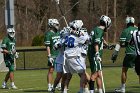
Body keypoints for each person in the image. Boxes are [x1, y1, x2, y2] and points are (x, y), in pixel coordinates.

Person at [111, 17, 138, 93]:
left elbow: (121, 44)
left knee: (124, 70)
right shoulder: (137, 30)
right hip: (138, 53)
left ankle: (123, 89)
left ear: (127, 23)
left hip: (130, 53)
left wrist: (115, 54)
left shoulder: (125, 31)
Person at [62, 20, 89, 93]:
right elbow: (86, 39)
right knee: (83, 73)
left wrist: (72, 31)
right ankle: (81, 90)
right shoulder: (78, 37)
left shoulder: (68, 35)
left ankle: (64, 91)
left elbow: (62, 38)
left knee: (68, 76)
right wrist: (76, 32)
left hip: (66, 58)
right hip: (73, 57)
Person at [88, 15, 111, 93]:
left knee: (98, 74)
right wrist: (97, 53)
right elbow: (96, 43)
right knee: (95, 74)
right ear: (106, 23)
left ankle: (100, 91)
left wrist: (107, 45)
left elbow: (100, 39)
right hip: (94, 54)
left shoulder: (96, 29)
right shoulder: (99, 31)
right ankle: (91, 91)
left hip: (93, 54)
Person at [44, 18, 61, 92]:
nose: (57, 26)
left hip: (60, 54)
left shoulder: (59, 32)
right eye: (56, 24)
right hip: (53, 55)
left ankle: (59, 85)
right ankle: (49, 86)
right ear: (51, 25)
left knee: (60, 71)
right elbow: (47, 46)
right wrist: (49, 55)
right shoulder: (48, 34)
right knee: (51, 70)